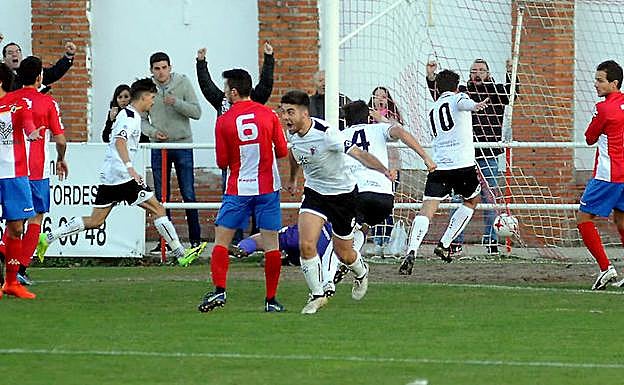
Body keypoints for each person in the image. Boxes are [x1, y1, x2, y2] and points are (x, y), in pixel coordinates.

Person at [35, 78, 205, 266]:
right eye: (152, 97)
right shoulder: (130, 118)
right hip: (122, 176)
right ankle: (181, 254)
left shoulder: (130, 116)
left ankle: (48, 237)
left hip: (111, 176)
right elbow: (120, 141)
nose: (153, 101)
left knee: (95, 220)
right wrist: (130, 168)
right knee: (158, 208)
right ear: (145, 96)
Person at [281, 90, 392, 314]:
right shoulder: (292, 134)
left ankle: (361, 272)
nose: (285, 117)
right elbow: (294, 155)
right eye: (283, 112)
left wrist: (383, 170)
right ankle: (317, 295)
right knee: (306, 244)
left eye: (290, 112)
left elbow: (359, 154)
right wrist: (293, 178)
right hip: (315, 193)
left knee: (345, 253)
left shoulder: (327, 134)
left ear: (305, 113)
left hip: (343, 196)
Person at [196, 68, 288, 313]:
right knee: (271, 244)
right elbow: (282, 151)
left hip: (238, 189)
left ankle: (219, 292)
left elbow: (222, 162)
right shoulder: (268, 114)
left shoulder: (223, 121)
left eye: (226, 89)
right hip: (267, 188)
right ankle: (271, 300)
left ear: (234, 92)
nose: (224, 93)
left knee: (221, 241)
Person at [335, 100, 435, 288]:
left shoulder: (340, 135)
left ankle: (335, 272)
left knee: (343, 232)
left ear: (345, 119)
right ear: (368, 117)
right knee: (365, 224)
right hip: (384, 197)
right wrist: (425, 156)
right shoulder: (379, 129)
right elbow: (401, 132)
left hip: (357, 193)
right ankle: (351, 257)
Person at [399, 69, 489, 275]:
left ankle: (411, 250)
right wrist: (475, 106)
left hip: (439, 166)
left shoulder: (433, 108)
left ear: (437, 88)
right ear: (457, 87)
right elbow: (464, 104)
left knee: (427, 209)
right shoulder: (459, 98)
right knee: (472, 201)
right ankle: (445, 243)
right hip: (462, 165)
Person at [426, 58, 518, 255]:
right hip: (463, 157)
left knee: (489, 199)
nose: (477, 73)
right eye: (474, 70)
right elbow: (440, 96)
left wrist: (511, 73)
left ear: (488, 74)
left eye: (482, 70)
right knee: (458, 199)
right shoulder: (461, 93)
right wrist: (431, 77)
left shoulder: (497, 91)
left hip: (489, 154)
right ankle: (454, 242)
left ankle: (491, 242)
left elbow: (512, 95)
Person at [195, 42, 275, 244]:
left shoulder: (254, 99)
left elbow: (266, 84)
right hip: (233, 165)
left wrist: (269, 59)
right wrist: (201, 63)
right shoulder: (222, 101)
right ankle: (235, 241)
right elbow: (206, 87)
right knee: (233, 202)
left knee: (260, 203)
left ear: (236, 89)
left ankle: (258, 240)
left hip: (257, 163)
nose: (224, 89)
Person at [8, 56, 67, 286]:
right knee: (35, 217)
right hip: (37, 171)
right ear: (40, 77)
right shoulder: (48, 103)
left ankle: (6, 256)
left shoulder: (9, 101)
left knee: (14, 218)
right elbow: (60, 140)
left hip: (11, 169)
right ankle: (20, 267)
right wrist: (62, 159)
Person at [141, 52, 202, 252]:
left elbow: (197, 112)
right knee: (161, 196)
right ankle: (165, 242)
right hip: (159, 146)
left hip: (182, 144)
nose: (161, 72)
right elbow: (140, 119)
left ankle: (195, 240)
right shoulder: (146, 89)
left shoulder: (183, 82)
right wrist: (152, 132)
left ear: (170, 67)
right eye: (157, 68)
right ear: (151, 70)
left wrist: (176, 102)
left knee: (188, 193)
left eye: (164, 68)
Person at [576, 60, 624, 290]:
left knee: (583, 218)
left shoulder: (603, 108)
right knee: (621, 220)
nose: (595, 84)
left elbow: (589, 137)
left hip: (608, 174)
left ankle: (606, 269)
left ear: (614, 83)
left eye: (600, 80)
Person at [0, 62, 41, 298]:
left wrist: (31, 132)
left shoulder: (17, 102)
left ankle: (12, 282)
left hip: (15, 174)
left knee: (16, 227)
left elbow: (26, 122)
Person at [2, 40, 76, 92]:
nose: (14, 54)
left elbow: (53, 73)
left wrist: (68, 56)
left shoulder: (31, 71)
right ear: (4, 59)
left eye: (18, 51)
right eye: (10, 53)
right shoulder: (2, 75)